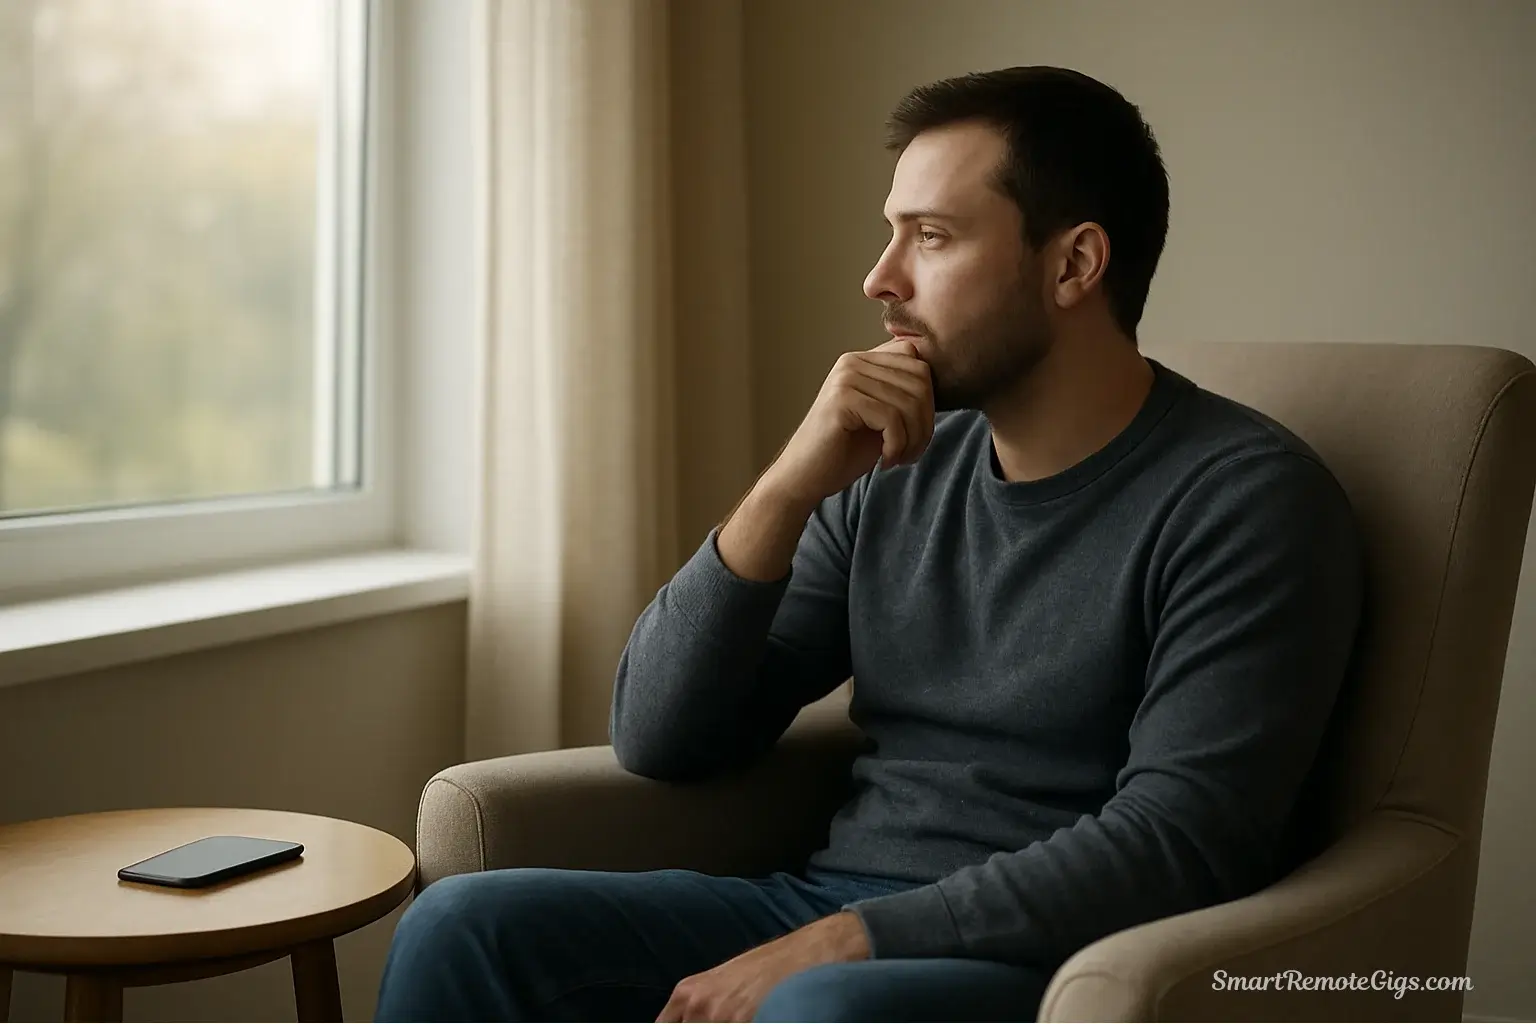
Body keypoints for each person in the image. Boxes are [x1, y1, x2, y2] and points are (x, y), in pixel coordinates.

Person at [375, 65, 1364, 1023]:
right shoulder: (897, 470)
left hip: (1062, 961)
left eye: (930, 237)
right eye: (893, 234)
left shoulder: (1244, 500)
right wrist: (785, 488)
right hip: (827, 911)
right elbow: (662, 735)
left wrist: (853, 939)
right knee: (463, 923)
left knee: (822, 1005)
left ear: (1074, 264)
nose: (879, 278)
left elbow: (1181, 840)